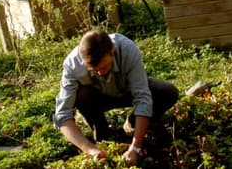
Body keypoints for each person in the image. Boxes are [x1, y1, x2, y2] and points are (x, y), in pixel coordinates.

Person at [53, 30, 179, 166]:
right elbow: (62, 115)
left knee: (166, 91)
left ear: (112, 50)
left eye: (105, 66)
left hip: (127, 91)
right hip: (99, 98)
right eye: (94, 71)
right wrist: (89, 149)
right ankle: (103, 134)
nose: (100, 72)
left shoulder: (127, 49)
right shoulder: (72, 65)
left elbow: (142, 97)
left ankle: (133, 123)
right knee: (82, 95)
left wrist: (135, 148)